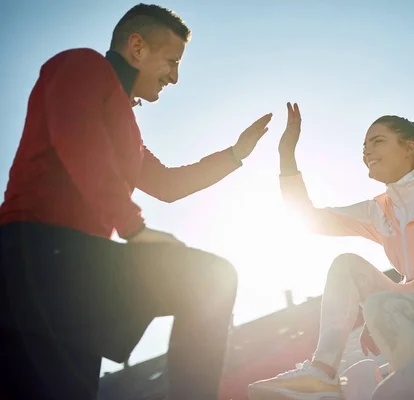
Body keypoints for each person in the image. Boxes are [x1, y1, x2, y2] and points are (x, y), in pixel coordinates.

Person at [0, 4, 271, 400]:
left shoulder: (126, 127)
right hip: (35, 257)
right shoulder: (80, 66)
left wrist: (235, 154)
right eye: (172, 61)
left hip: (70, 287)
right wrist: (134, 228)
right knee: (208, 278)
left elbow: (167, 183)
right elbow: (77, 140)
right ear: (137, 48)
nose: (175, 77)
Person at [248, 103, 414, 399]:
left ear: (408, 148)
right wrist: (286, 156)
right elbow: (308, 218)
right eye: (364, 146)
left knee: (382, 304)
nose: (366, 151)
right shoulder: (379, 210)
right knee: (346, 266)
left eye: (377, 141)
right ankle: (322, 372)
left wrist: (391, 303)